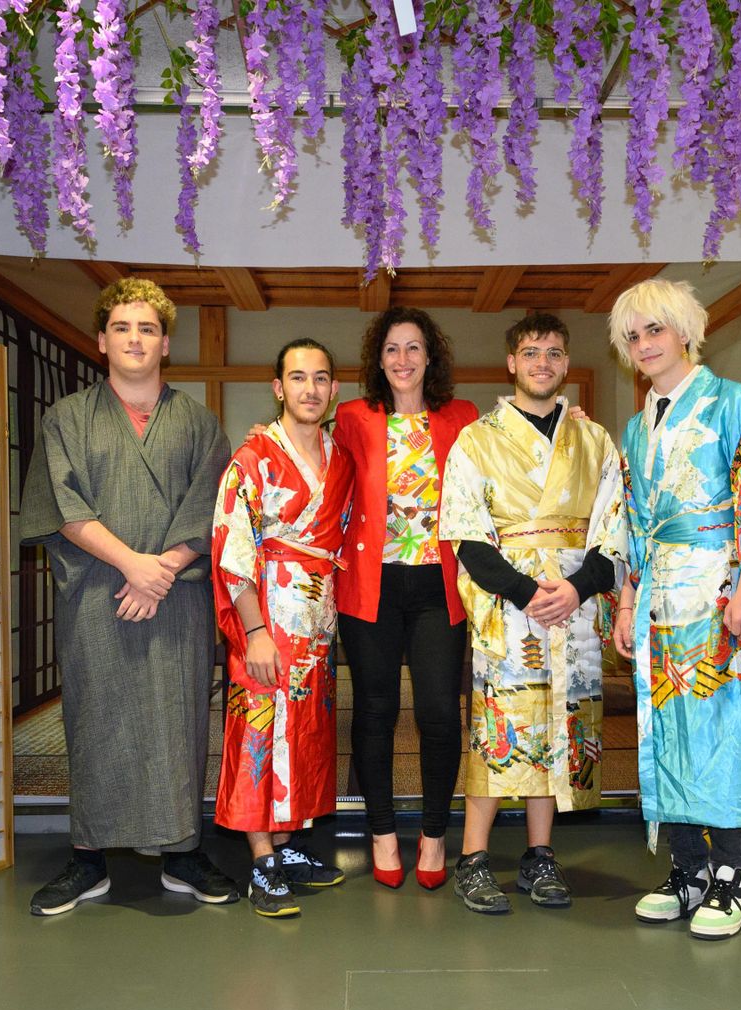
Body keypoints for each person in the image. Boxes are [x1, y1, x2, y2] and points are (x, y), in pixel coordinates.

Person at [19, 278, 236, 916]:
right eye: (122, 327)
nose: (134, 339)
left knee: (180, 720)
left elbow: (213, 507)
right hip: (99, 593)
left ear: (166, 342)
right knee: (96, 719)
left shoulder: (198, 422)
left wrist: (162, 570)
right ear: (101, 340)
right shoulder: (66, 419)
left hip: (176, 597)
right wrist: (133, 565)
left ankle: (182, 853)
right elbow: (62, 506)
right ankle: (88, 859)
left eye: (147, 329)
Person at [609, 278, 741, 940]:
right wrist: (626, 597)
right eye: (632, 336)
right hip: (661, 595)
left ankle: (731, 876)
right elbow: (632, 524)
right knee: (670, 731)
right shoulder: (637, 428)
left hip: (719, 590)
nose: (644, 345)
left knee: (724, 728)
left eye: (654, 330)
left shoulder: (732, 404)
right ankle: (687, 869)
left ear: (685, 331)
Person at [438, 313, 628, 914]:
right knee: (501, 728)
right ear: (511, 364)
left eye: (552, 352)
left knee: (559, 729)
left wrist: (577, 590)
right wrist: (525, 592)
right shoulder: (478, 439)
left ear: (566, 364)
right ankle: (472, 856)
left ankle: (539, 857)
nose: (541, 362)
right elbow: (465, 535)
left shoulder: (595, 440)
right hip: (510, 607)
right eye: (529, 352)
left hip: (573, 606)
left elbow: (615, 529)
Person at [333, 307, 479, 889]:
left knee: (441, 712)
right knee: (375, 710)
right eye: (391, 349)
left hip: (438, 582)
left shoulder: (461, 417)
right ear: (378, 359)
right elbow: (314, 463)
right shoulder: (351, 417)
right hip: (371, 584)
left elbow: (506, 457)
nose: (402, 360)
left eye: (413, 348)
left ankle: (436, 834)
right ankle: (383, 834)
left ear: (430, 356)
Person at [211, 340, 356, 918]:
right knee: (258, 733)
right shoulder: (252, 457)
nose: (310, 389)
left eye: (321, 378)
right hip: (267, 613)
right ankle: (262, 860)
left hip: (318, 620)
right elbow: (231, 544)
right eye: (298, 378)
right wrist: (254, 631)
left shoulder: (340, 458)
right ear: (278, 388)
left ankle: (290, 846)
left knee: (305, 734)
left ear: (333, 389)